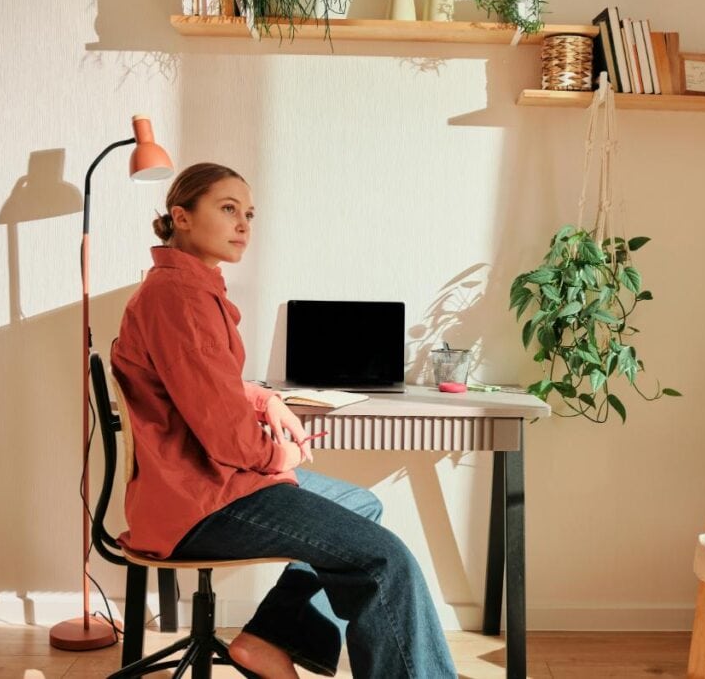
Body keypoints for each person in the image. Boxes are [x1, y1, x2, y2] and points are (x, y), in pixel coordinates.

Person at [111, 163, 457, 679]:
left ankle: (269, 638)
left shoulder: (186, 290)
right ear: (180, 217)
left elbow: (200, 382)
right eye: (228, 209)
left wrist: (264, 401)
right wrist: (281, 455)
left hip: (206, 489)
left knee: (361, 503)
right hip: (202, 504)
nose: (243, 224)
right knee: (385, 561)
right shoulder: (178, 298)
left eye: (248, 213)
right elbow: (228, 439)